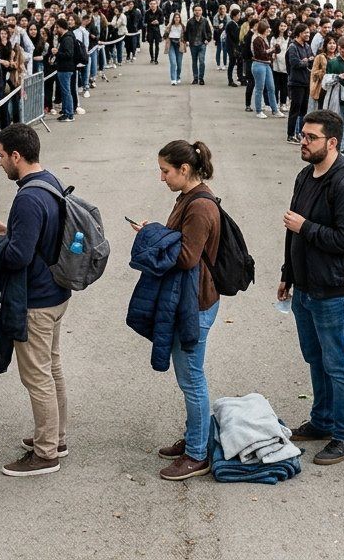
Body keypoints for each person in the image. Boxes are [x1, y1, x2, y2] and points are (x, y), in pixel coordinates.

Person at [278, 109, 344, 466]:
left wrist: (306, 227)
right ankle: (322, 420)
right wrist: (287, 274)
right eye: (303, 135)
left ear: (332, 142)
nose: (303, 141)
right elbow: (293, 231)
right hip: (305, 286)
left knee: (339, 363)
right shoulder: (305, 175)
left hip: (336, 290)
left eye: (311, 137)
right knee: (316, 358)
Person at [0, 124, 72, 476]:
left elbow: (18, 256)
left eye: (1, 156)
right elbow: (43, 233)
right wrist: (12, 231)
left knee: (37, 377)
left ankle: (46, 454)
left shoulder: (27, 198)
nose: (0, 162)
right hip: (56, 292)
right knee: (51, 368)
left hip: (36, 300)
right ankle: (56, 438)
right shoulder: (49, 181)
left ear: (16, 156)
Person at [139, 140, 221, 481]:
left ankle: (198, 454)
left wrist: (152, 235)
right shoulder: (188, 197)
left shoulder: (199, 206)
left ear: (184, 169)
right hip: (191, 300)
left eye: (165, 171)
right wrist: (156, 233)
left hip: (195, 303)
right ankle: (194, 437)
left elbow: (187, 257)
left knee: (192, 379)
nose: (162, 178)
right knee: (189, 378)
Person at [285, 23, 316, 143]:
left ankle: (301, 133)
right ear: (299, 34)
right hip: (296, 83)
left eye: (308, 32)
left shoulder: (307, 46)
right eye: (306, 33)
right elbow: (295, 63)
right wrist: (307, 61)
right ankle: (290, 134)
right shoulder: (293, 47)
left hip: (306, 82)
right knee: (295, 110)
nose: (308, 34)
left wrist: (306, 61)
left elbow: (312, 60)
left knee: (303, 110)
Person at [250, 20, 281, 119]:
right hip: (259, 64)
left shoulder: (264, 39)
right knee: (259, 88)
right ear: (263, 29)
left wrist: (275, 50)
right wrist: (272, 50)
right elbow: (261, 54)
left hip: (266, 65)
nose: (269, 30)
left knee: (271, 88)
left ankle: (275, 110)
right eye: (267, 29)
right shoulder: (257, 40)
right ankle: (259, 110)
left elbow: (267, 53)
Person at [184, 5, 213, 85]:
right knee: (194, 61)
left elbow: (209, 32)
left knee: (202, 61)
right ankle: (195, 78)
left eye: (199, 10)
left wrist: (208, 39)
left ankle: (201, 78)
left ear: (202, 11)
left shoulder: (205, 21)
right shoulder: (190, 21)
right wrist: (187, 40)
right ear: (193, 11)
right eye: (196, 10)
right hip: (193, 44)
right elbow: (186, 33)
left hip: (202, 44)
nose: (197, 12)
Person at [165, 11, 185, 85]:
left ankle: (178, 76)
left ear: (180, 18)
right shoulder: (170, 26)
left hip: (179, 45)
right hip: (171, 44)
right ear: (173, 18)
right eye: (175, 17)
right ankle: (173, 79)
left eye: (178, 17)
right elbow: (165, 35)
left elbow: (186, 36)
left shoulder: (182, 26)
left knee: (179, 63)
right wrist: (166, 32)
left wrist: (186, 42)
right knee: (173, 62)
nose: (177, 19)